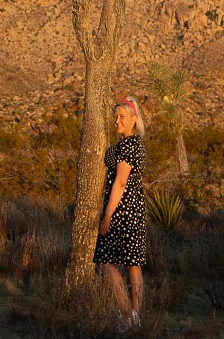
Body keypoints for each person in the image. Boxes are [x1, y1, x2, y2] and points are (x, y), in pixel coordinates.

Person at [93, 96, 147, 330]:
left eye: (122, 117)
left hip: (121, 209)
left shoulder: (128, 145)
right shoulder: (135, 144)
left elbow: (120, 182)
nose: (116, 121)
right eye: (115, 116)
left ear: (134, 119)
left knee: (107, 263)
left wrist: (107, 216)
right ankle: (136, 317)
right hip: (135, 208)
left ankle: (127, 316)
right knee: (133, 264)